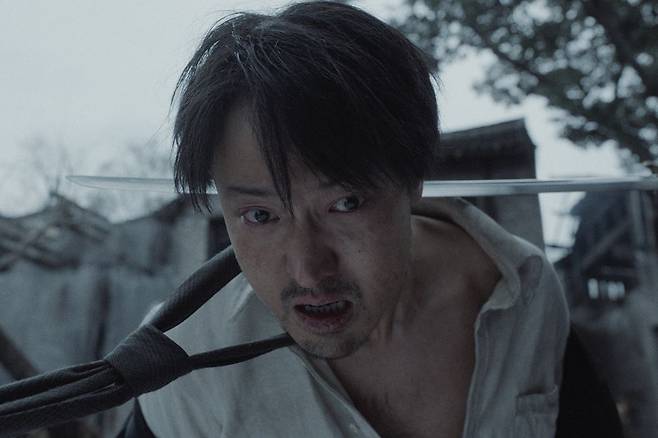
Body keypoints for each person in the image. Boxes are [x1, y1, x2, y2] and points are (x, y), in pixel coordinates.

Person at [130, 2, 570, 436]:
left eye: (345, 204)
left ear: (411, 179)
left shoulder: (523, 293)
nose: (308, 270)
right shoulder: (185, 359)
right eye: (260, 215)